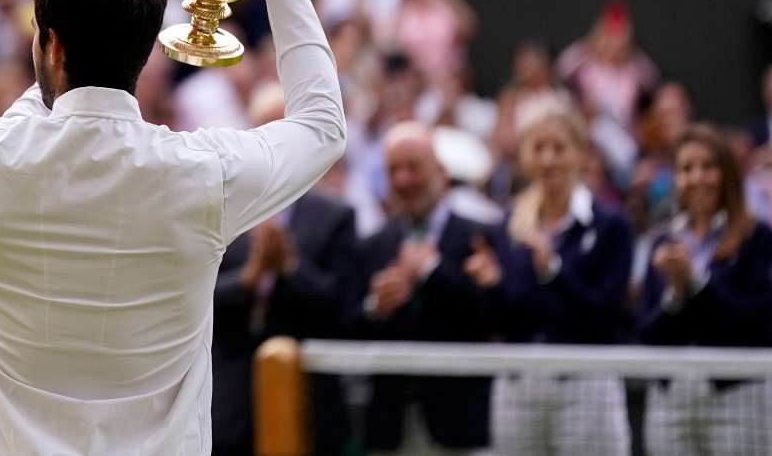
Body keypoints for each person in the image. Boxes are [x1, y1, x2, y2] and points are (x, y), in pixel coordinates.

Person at [0, 0, 345, 453]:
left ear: (51, 44)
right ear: (143, 50)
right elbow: (322, 125)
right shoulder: (203, 174)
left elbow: (46, 97)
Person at [491, 106, 634, 456]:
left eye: (559, 147)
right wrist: (490, 286)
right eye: (538, 148)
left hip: (587, 385)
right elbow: (508, 318)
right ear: (524, 156)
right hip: (519, 389)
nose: (548, 159)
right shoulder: (507, 226)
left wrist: (552, 269)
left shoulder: (610, 225)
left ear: (581, 154)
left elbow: (607, 313)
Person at [352, 122, 502, 455]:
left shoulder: (481, 236)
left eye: (413, 167)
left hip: (459, 425)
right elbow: (346, 323)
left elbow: (496, 319)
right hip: (391, 429)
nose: (404, 180)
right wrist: (374, 307)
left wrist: (431, 272)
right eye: (394, 170)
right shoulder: (373, 245)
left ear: (441, 172)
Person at [637, 124, 772, 453]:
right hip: (672, 401)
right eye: (686, 168)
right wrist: (675, 294)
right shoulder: (663, 241)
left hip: (738, 397)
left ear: (726, 173)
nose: (697, 177)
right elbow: (647, 333)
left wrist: (696, 284)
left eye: (708, 167)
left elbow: (757, 322)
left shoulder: (758, 238)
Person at [211, 189, 358, 456]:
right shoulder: (220, 211)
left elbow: (343, 307)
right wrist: (247, 278)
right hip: (230, 404)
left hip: (310, 402)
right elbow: (197, 300)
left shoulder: (334, 216)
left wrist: (290, 266)